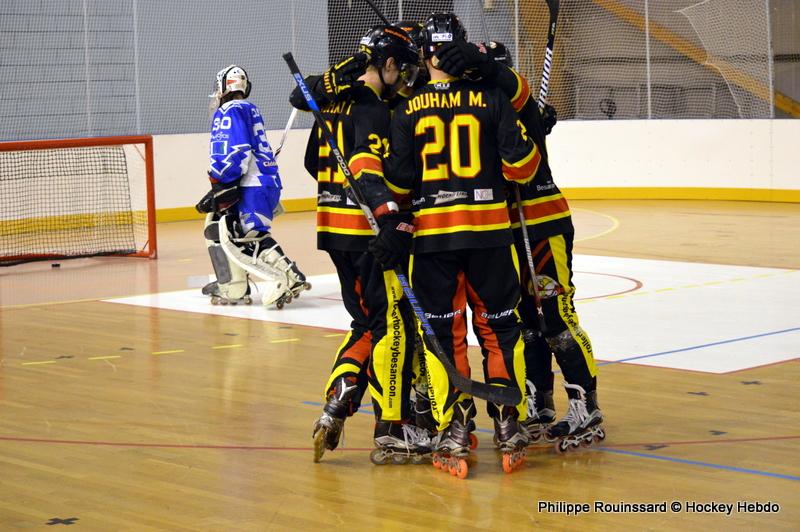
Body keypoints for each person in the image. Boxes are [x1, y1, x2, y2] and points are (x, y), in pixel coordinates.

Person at [376, 12, 544, 477]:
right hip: (490, 236)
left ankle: (453, 428)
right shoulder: (491, 97)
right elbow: (524, 168)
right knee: (500, 330)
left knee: (444, 336)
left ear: (425, 55)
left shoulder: (408, 109)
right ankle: (508, 422)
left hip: (434, 243)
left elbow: (398, 184)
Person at [433, 37, 605, 451]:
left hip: (540, 222)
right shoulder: (482, 107)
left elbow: (517, 91)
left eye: (481, 73)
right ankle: (539, 402)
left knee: (556, 317)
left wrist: (497, 77)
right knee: (526, 324)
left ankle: (586, 405)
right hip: (505, 229)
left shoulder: (514, 97)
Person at [290, 26, 431, 464]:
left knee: (365, 325)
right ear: (386, 65)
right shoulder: (372, 108)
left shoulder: (332, 101)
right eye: (401, 70)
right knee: (391, 327)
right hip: (367, 231)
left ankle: (339, 399)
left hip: (332, 229)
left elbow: (312, 161)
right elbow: (370, 171)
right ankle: (392, 428)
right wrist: (391, 219)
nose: (404, 79)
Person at [198, 65, 309, 308]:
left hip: (250, 185)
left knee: (247, 237)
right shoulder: (249, 108)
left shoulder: (228, 111)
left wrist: (220, 183)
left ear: (223, 86)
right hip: (266, 183)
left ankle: (289, 277)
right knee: (218, 225)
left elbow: (234, 151)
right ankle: (232, 286)